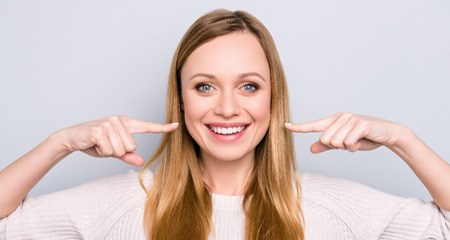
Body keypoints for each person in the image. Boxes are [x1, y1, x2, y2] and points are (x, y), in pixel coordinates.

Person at [0, 9, 449, 240]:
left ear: (274, 98)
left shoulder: (331, 206)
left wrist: (402, 140)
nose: (228, 108)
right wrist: (59, 143)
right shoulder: (125, 203)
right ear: (181, 99)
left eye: (249, 86)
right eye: (205, 87)